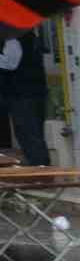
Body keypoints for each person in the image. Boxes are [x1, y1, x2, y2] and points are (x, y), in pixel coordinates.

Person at [0, 29, 50, 167]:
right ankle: (39, 169)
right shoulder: (20, 34)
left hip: (24, 94)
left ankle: (41, 173)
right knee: (27, 134)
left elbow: (11, 62)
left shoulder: (13, 36)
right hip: (27, 93)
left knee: (30, 134)